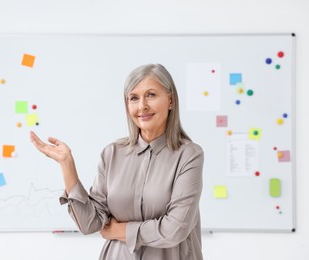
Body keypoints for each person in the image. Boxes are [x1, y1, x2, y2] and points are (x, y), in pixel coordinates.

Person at [30, 63, 204, 260]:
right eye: (134, 98)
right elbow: (90, 224)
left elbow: (174, 230)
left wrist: (119, 231)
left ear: (170, 100)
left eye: (151, 95)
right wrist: (67, 164)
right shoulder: (112, 154)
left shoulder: (189, 155)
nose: (142, 106)